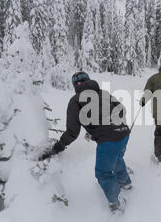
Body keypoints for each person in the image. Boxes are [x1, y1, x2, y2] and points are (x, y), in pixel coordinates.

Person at [39, 72, 132, 213]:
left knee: (103, 172)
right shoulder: (103, 93)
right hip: (124, 133)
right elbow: (122, 111)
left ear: (75, 85)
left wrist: (57, 147)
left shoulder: (76, 100)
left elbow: (72, 132)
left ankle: (118, 204)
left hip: (108, 140)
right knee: (117, 158)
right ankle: (125, 182)